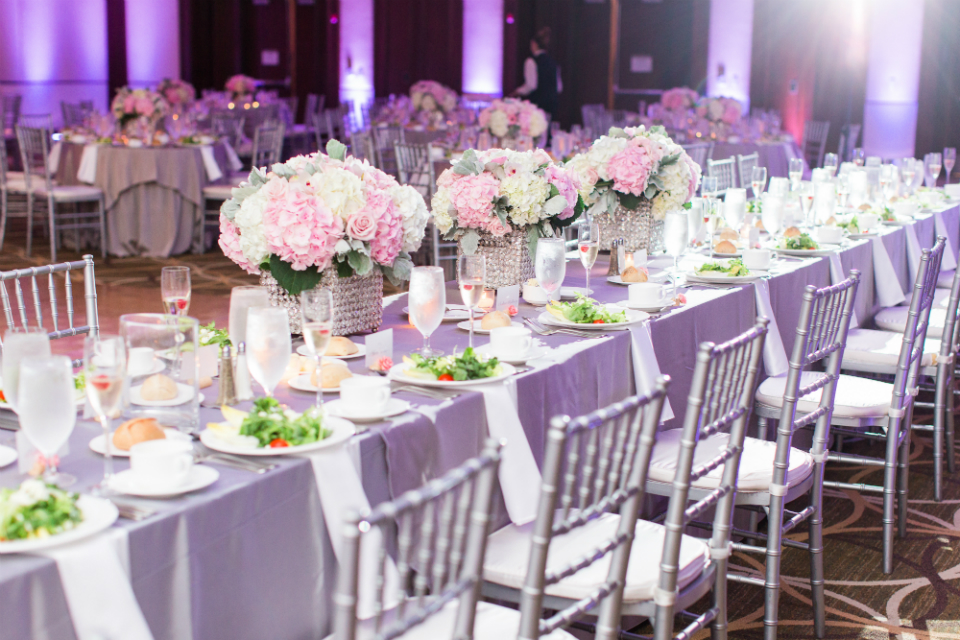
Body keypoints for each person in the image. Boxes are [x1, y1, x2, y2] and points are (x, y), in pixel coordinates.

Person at [512, 26, 562, 123]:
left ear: (534, 44)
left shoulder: (531, 61)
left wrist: (516, 92)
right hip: (552, 105)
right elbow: (559, 87)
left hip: (537, 105)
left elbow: (531, 85)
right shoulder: (553, 63)